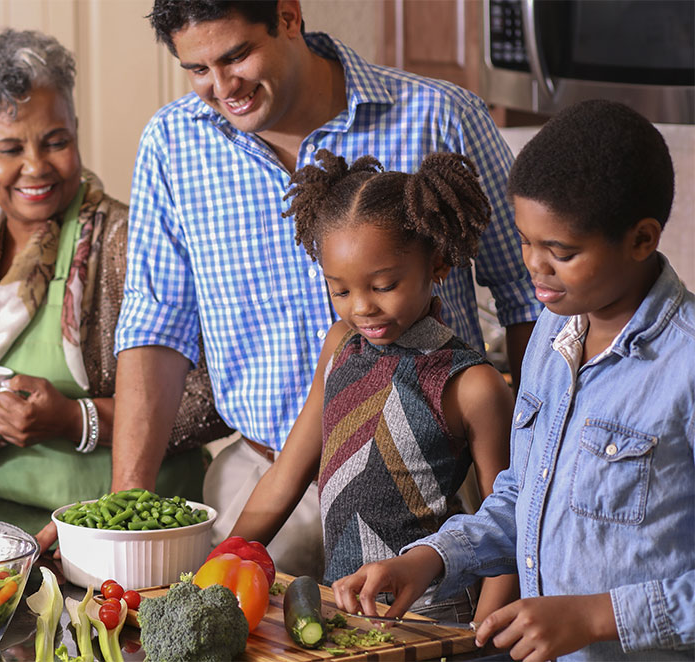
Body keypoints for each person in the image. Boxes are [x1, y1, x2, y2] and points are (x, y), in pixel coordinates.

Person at [112, 0, 540, 578]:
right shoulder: (171, 143)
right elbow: (154, 325)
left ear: (288, 17)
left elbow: (527, 291)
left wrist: (537, 476)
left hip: (438, 485)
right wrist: (121, 514)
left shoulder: (440, 114)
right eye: (196, 69)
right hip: (264, 475)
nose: (221, 86)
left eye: (237, 56)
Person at [334, 100, 694, 661]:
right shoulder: (554, 335)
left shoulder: (686, 364)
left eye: (561, 252)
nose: (534, 266)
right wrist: (429, 558)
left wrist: (597, 615)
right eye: (526, 240)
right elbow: (524, 494)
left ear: (642, 240)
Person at [0, 29, 230, 537]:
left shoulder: (127, 240)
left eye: (55, 141)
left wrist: (72, 419)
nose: (35, 166)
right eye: (9, 148)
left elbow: (217, 397)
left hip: (124, 533)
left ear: (76, 131)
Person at [229, 149, 518, 622]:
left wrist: (481, 636)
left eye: (383, 285)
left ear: (438, 263)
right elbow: (287, 474)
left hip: (434, 617)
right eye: (340, 290)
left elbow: (506, 523)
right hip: (345, 607)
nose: (361, 307)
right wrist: (227, 556)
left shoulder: (471, 384)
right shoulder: (340, 345)